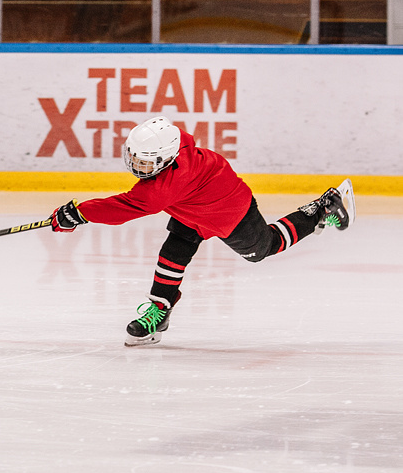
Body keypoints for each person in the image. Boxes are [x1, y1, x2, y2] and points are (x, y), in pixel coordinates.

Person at [49, 116, 355, 347]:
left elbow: (126, 207)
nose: (139, 167)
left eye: (147, 162)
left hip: (227, 209)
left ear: (166, 159)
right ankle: (159, 310)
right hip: (191, 206)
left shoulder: (165, 186)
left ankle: (320, 210)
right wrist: (77, 212)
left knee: (264, 248)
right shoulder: (175, 149)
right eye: (136, 159)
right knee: (173, 251)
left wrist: (77, 213)